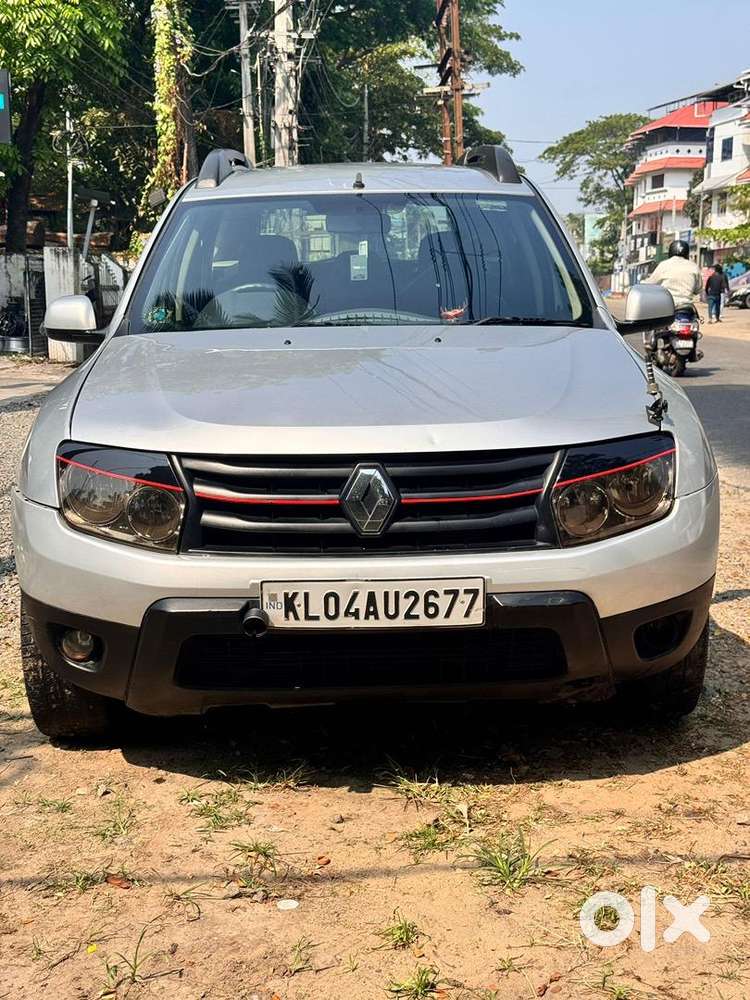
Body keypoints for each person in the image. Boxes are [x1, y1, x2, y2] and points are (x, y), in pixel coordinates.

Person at [643, 240, 702, 312]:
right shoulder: (694, 266)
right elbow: (698, 289)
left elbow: (651, 283)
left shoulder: (664, 265)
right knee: (695, 320)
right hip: (687, 307)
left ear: (670, 252)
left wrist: (642, 283)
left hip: (667, 306)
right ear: (687, 253)